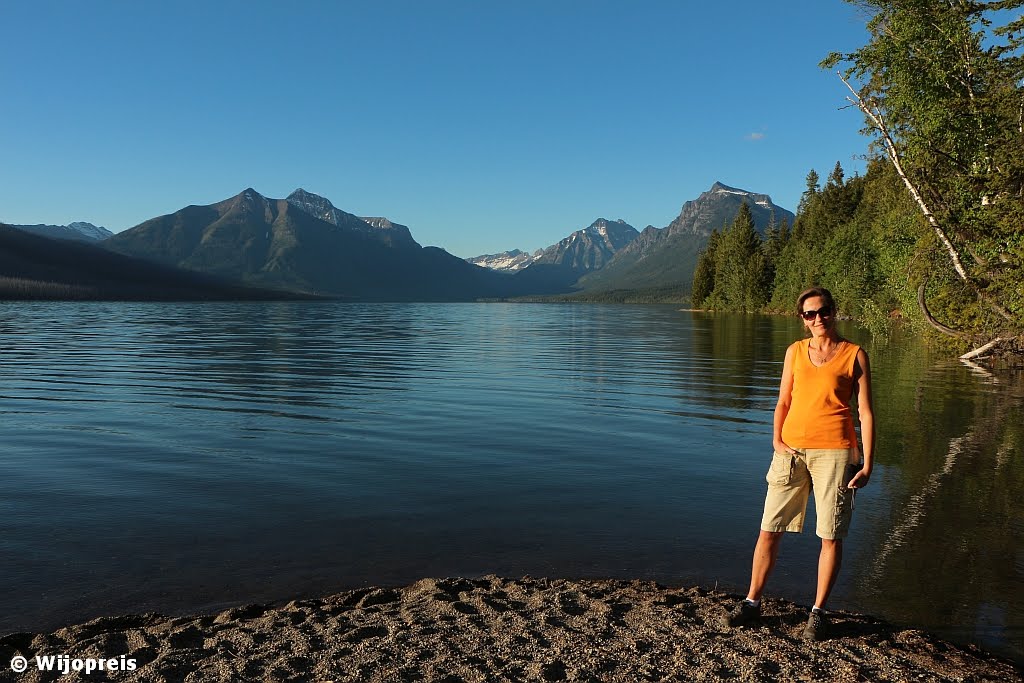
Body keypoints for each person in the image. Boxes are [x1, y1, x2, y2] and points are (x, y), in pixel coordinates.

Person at [720, 286, 875, 641]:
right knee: (768, 529)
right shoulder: (794, 352)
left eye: (823, 311)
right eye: (810, 314)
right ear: (802, 319)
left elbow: (865, 413)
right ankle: (751, 604)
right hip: (791, 451)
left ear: (834, 312)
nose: (818, 319)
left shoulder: (855, 355)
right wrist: (776, 440)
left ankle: (818, 613)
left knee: (830, 535)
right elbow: (782, 401)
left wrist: (867, 463)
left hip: (837, 453)